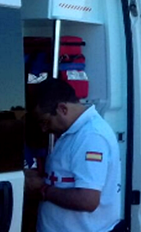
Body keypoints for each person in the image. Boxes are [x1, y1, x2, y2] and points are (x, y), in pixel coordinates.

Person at [24, 78, 121, 232]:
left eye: (45, 122)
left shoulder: (91, 137)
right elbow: (64, 177)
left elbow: (87, 200)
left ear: (62, 109)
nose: (43, 129)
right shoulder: (71, 132)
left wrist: (43, 189)